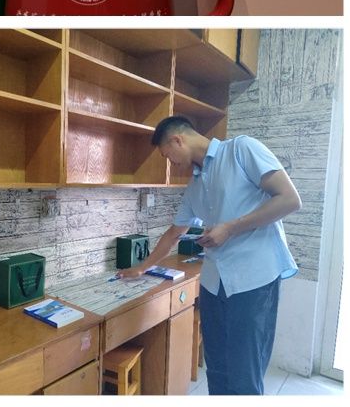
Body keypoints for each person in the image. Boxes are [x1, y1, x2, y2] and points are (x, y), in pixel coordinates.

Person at [116, 116, 301, 395]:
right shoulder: (195, 186)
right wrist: (142, 267)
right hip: (214, 283)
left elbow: (289, 199)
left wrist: (230, 228)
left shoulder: (241, 150)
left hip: (253, 280)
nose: (170, 163)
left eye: (167, 155)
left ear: (177, 140)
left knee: (244, 375)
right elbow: (174, 233)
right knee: (216, 369)